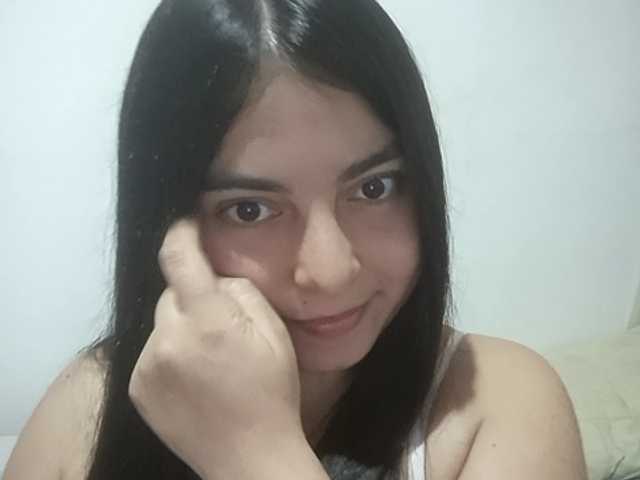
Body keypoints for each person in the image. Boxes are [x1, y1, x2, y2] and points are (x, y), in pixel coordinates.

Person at [3, 0, 588, 479]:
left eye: (375, 187)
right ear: (166, 224)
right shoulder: (89, 404)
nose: (331, 270)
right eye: (250, 209)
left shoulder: (497, 404)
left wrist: (255, 456)